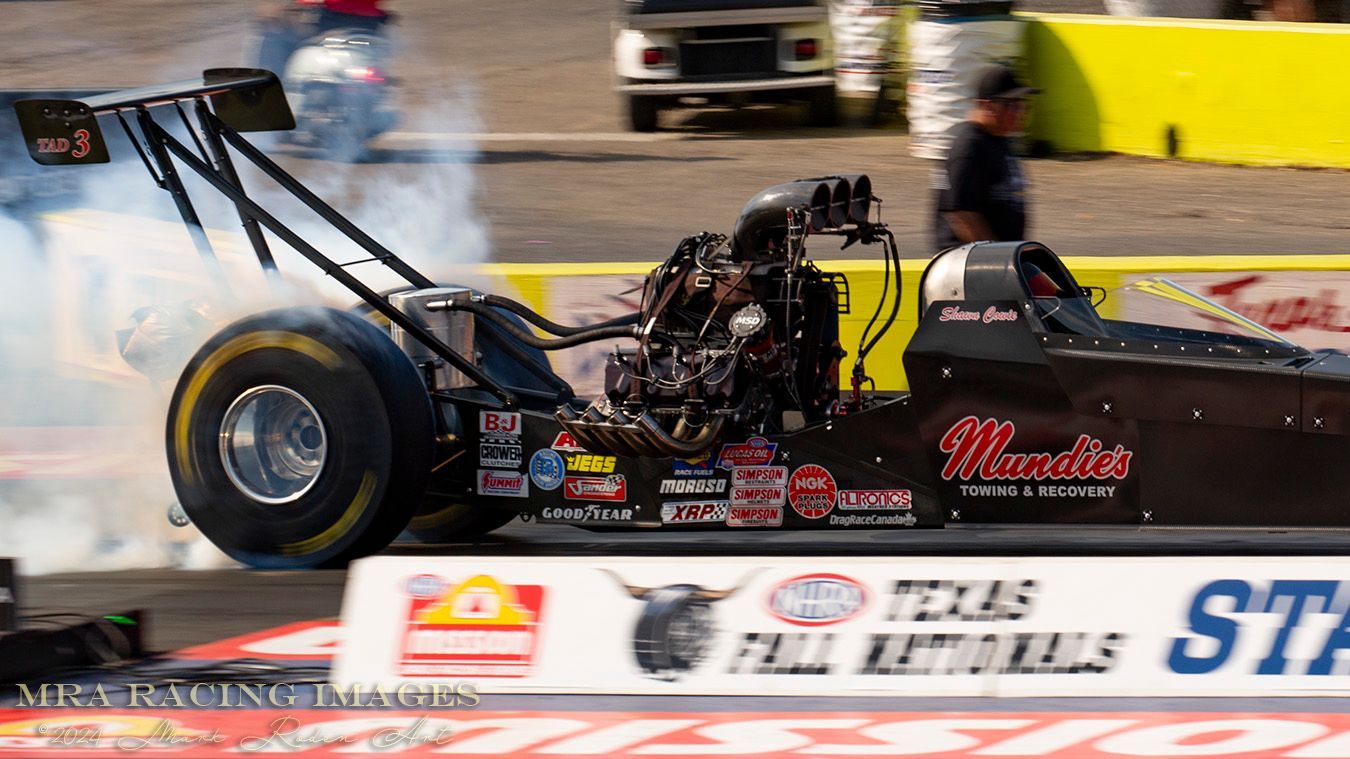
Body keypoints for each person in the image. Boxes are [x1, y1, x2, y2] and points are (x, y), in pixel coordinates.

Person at [932, 64, 1038, 252]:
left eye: (1021, 104)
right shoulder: (969, 147)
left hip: (999, 260)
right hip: (968, 266)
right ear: (986, 105)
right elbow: (962, 215)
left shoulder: (999, 140)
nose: (1019, 112)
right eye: (1010, 105)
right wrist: (999, 260)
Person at [256, 0, 392, 78]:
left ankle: (272, 94)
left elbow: (307, 3)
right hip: (371, 26)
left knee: (275, 39)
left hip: (334, 26)